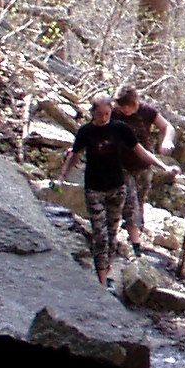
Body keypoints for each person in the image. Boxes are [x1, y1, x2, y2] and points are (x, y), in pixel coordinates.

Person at [59, 94, 172, 289]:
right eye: (100, 114)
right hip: (94, 189)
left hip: (116, 189)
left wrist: (163, 167)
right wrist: (62, 177)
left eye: (107, 114)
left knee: (111, 235)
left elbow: (140, 151)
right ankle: (102, 281)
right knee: (100, 235)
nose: (104, 118)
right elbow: (74, 155)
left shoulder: (119, 129)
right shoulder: (86, 132)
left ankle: (107, 273)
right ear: (92, 113)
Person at [112, 85, 174, 250]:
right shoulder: (113, 112)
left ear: (135, 103)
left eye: (128, 108)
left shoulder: (147, 111)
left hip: (144, 163)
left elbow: (168, 127)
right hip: (121, 165)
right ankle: (134, 243)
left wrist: (167, 140)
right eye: (121, 107)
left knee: (139, 200)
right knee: (129, 201)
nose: (125, 111)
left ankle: (136, 235)